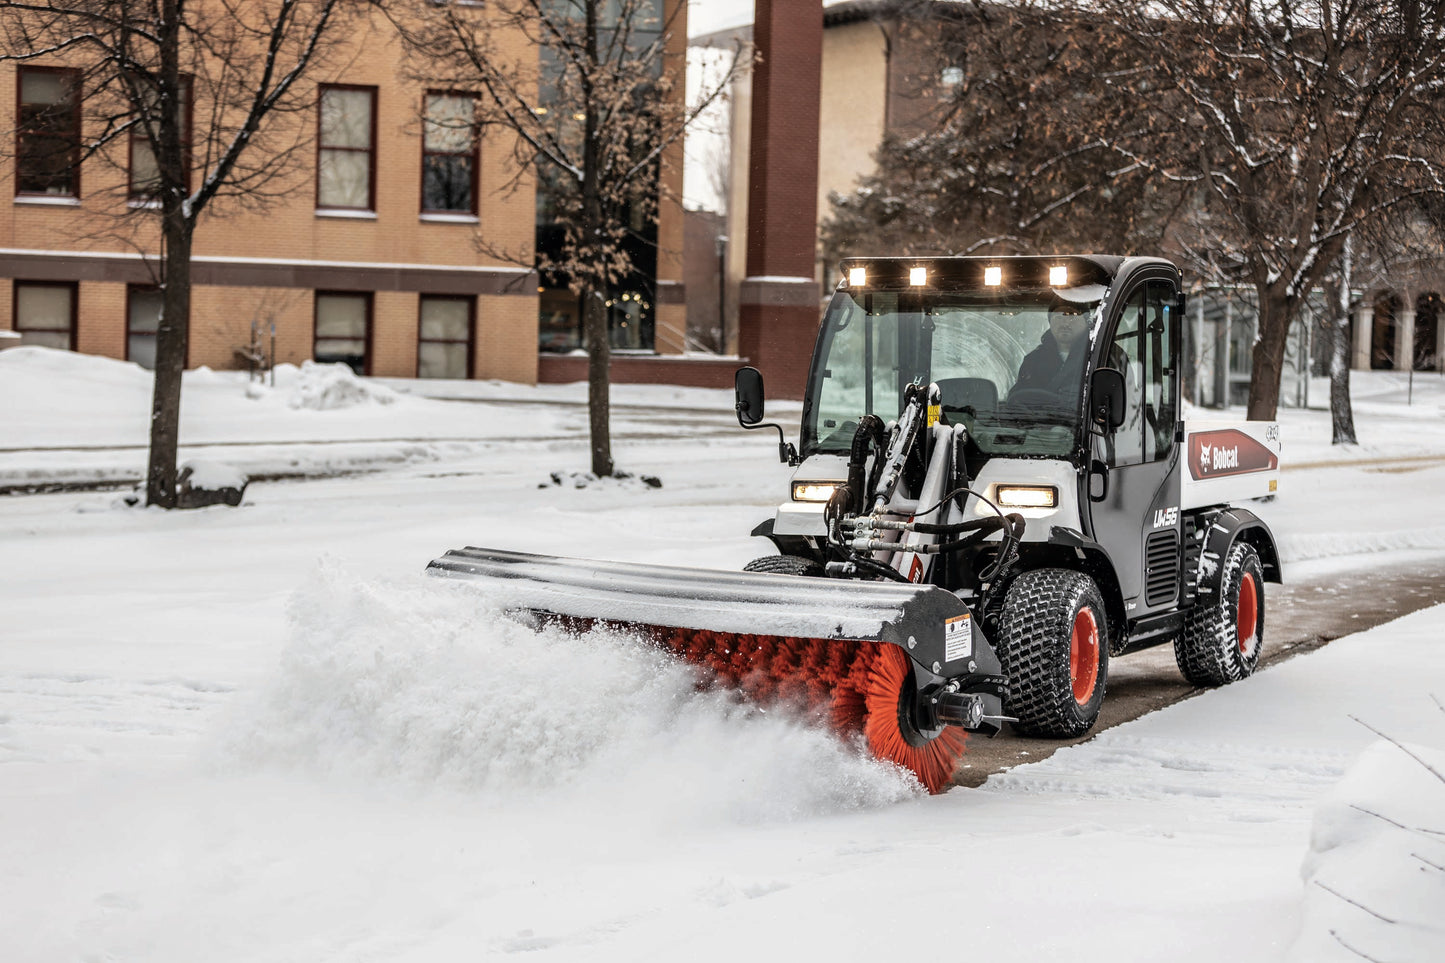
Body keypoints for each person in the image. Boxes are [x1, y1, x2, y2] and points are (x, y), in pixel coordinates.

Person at [1011, 300, 1092, 401]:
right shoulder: (1033, 361)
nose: (1065, 323)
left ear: (1086, 322)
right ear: (1050, 322)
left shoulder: (1101, 354)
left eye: (1072, 317)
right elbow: (1018, 399)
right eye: (1058, 317)